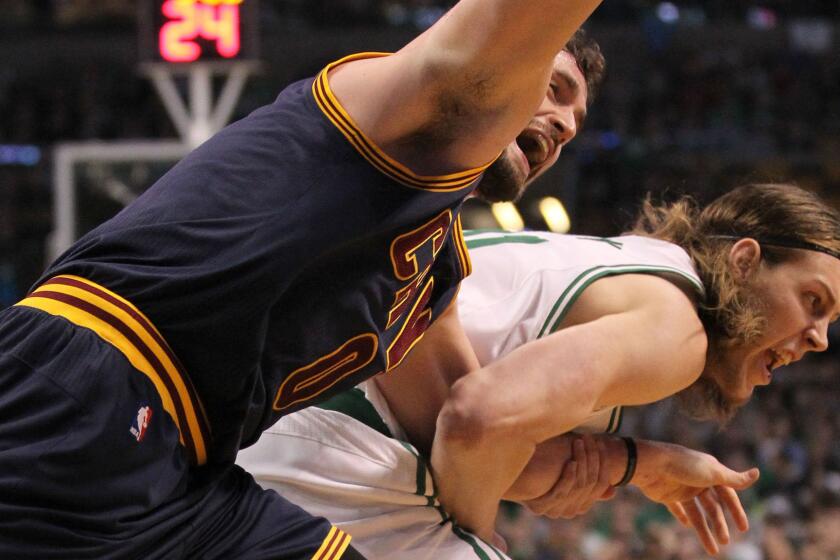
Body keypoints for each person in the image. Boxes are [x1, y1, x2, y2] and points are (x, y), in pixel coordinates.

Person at [0, 1, 607, 557]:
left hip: (187, 473)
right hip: (97, 372)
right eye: (554, 89)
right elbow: (497, 42)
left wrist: (638, 464)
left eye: (576, 123)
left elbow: (473, 437)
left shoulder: (430, 271)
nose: (564, 125)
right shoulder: (385, 108)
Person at [237, 183, 840, 559]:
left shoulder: (644, 271)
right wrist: (473, 532)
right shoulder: (678, 331)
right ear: (744, 260)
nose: (818, 339)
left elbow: (494, 447)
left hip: (299, 414)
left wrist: (633, 462)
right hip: (338, 439)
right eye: (814, 302)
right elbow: (476, 420)